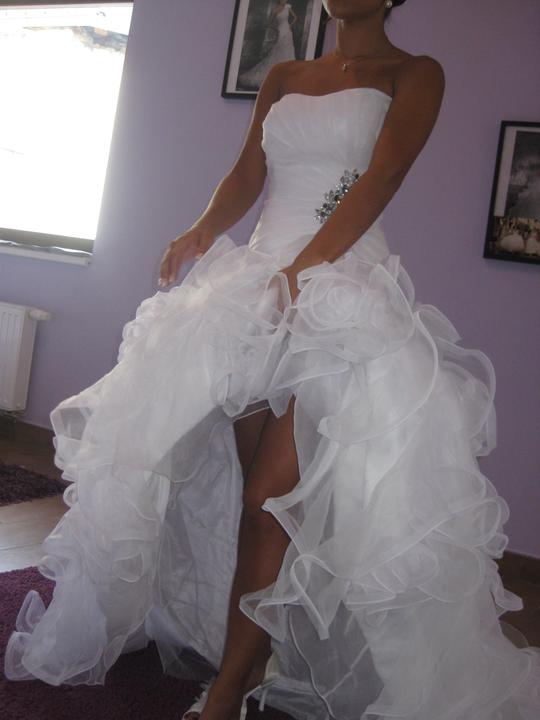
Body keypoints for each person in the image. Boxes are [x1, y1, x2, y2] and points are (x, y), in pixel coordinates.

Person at [4, 1, 540, 719]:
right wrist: (201, 230)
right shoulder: (285, 75)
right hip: (255, 294)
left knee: (268, 500)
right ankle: (252, 651)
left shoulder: (415, 73)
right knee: (252, 501)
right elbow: (247, 175)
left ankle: (230, 688)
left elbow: (381, 177)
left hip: (340, 293)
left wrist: (308, 270)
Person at [238, 1, 298, 90]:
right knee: (278, 51)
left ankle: (288, 76)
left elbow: (296, 18)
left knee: (288, 50)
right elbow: (269, 23)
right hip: (280, 31)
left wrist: (290, 26)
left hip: (288, 31)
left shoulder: (288, 7)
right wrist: (275, 30)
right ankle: (279, 75)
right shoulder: (275, 10)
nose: (285, 0)